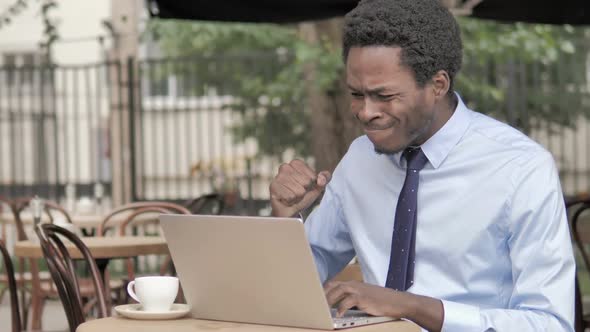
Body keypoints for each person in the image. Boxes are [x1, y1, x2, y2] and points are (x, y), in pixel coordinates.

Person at [268, 0, 575, 331]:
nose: (365, 112)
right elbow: (302, 279)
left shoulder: (521, 169)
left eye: (384, 96)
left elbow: (550, 323)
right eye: (356, 94)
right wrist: (286, 222)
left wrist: (413, 307)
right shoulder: (360, 158)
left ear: (437, 85)